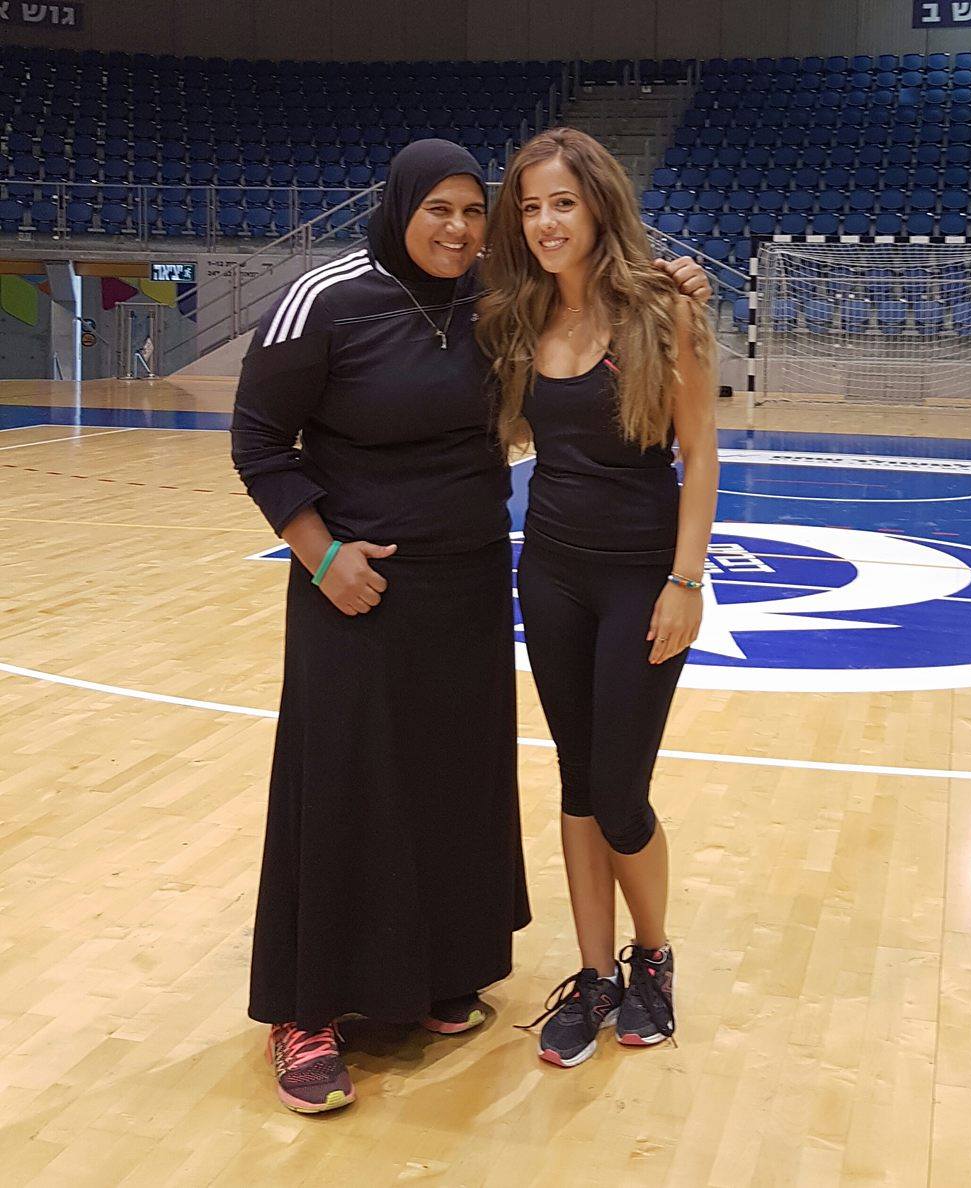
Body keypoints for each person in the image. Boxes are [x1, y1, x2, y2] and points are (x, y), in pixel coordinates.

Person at [231, 138, 712, 1111]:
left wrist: (675, 286)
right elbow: (257, 439)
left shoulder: (497, 303)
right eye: (438, 210)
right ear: (400, 207)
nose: (458, 229)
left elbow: (625, 375)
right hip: (359, 588)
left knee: (452, 785)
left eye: (469, 211)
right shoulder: (331, 299)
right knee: (344, 785)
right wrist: (321, 554)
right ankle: (306, 1011)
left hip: (474, 582)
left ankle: (436, 975)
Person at [477, 128, 719, 1068]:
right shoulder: (518, 315)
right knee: (578, 784)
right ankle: (592, 974)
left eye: (563, 203)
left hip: (641, 579)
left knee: (620, 794)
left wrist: (685, 582)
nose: (546, 222)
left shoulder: (661, 311)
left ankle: (651, 957)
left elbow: (699, 453)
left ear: (599, 206)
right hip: (551, 575)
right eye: (531, 206)